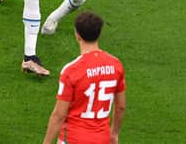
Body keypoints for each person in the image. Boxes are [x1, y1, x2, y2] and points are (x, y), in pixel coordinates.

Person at [43, 11, 126, 144]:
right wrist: (114, 134)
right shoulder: (115, 65)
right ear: (99, 33)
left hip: (73, 138)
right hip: (102, 139)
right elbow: (120, 106)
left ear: (77, 35)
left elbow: (59, 115)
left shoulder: (71, 70)